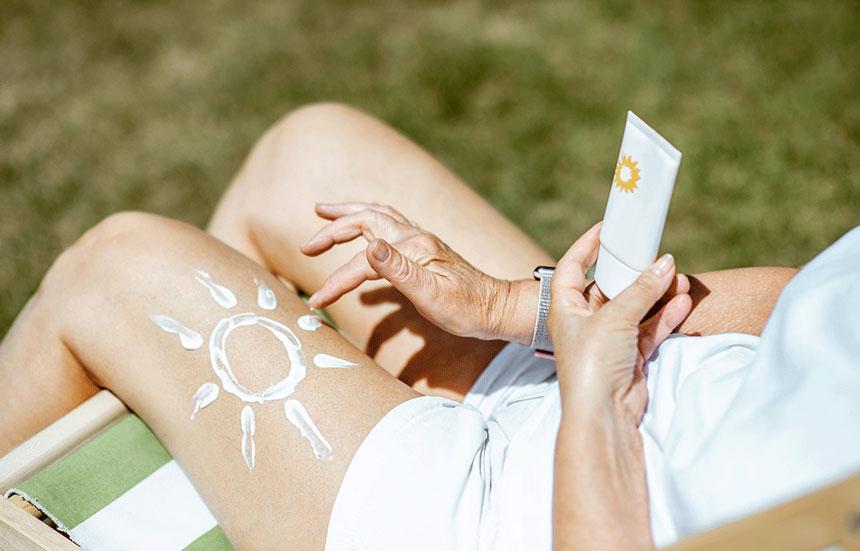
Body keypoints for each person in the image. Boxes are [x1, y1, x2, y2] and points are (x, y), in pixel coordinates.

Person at [0, 104, 804, 550]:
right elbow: (806, 307)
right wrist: (515, 309)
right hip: (606, 383)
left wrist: (593, 401)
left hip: (521, 518)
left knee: (115, 270)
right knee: (308, 154)